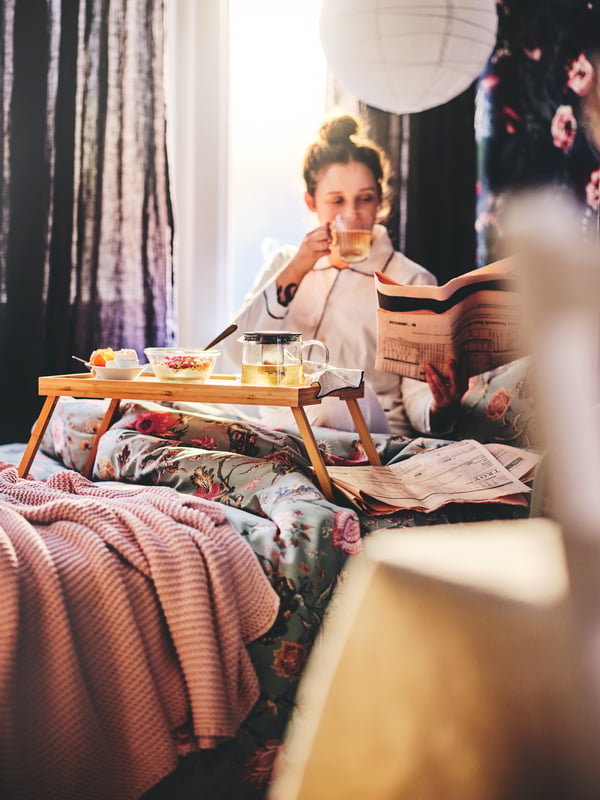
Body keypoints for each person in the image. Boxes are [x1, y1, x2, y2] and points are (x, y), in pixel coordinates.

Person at [221, 111, 466, 436]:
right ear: (311, 201)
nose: (351, 215)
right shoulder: (286, 264)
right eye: (337, 201)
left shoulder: (410, 280)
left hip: (370, 436)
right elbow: (236, 354)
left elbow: (417, 396)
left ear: (380, 200)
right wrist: (297, 269)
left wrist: (441, 406)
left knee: (335, 392)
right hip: (287, 435)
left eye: (364, 199)